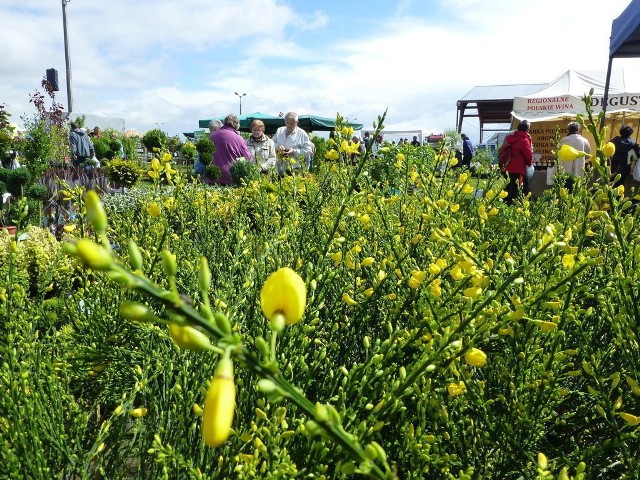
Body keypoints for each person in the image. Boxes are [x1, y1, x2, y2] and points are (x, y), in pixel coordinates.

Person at [209, 114, 253, 185]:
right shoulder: (239, 139)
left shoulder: (212, 136)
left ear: (224, 123)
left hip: (211, 176)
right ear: (237, 125)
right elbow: (248, 158)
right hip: (229, 177)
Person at [501, 120, 533, 205]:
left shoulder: (510, 137)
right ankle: (518, 205)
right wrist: (530, 163)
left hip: (507, 166)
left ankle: (506, 204)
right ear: (527, 129)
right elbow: (528, 155)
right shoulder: (524, 140)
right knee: (520, 188)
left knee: (508, 187)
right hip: (518, 168)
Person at [557, 121, 591, 191]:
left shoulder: (564, 140)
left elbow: (558, 153)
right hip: (579, 170)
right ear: (578, 130)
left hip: (566, 170)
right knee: (577, 190)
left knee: (566, 190)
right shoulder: (585, 141)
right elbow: (587, 155)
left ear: (568, 130)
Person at [610, 124, 640, 190]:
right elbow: (638, 154)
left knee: (611, 185)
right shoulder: (632, 143)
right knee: (620, 185)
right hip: (625, 168)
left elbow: (607, 148)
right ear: (630, 133)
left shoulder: (614, 140)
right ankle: (617, 199)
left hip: (613, 166)